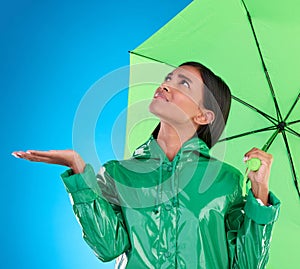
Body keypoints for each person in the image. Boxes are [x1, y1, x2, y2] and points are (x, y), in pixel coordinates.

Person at [12, 62, 280, 269]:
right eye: (167, 79)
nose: (165, 86)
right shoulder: (119, 173)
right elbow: (107, 247)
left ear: (203, 115)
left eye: (183, 84)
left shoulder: (226, 180)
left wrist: (260, 194)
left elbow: (247, 264)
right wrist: (78, 170)